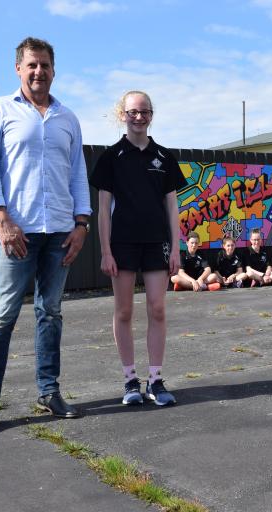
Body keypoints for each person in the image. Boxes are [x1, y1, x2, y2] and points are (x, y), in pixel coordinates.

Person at [0, 37, 92, 437]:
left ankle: (49, 392)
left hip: (58, 232)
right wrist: (0, 218)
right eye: (32, 65)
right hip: (16, 232)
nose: (39, 72)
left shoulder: (67, 118)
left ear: (54, 70)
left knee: (51, 313)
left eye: (45, 65)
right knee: (1, 316)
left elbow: (77, 174)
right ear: (18, 69)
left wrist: (81, 224)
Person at [90, 90, 186, 407]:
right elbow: (103, 210)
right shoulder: (111, 158)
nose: (139, 117)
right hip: (122, 243)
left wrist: (175, 248)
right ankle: (130, 380)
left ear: (151, 115)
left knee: (157, 309)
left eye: (144, 112)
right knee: (124, 311)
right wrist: (106, 250)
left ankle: (155, 381)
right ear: (123, 115)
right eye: (133, 112)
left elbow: (172, 207)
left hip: (156, 243)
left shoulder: (164, 157)